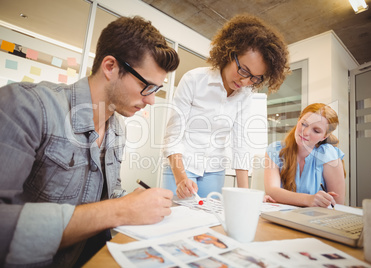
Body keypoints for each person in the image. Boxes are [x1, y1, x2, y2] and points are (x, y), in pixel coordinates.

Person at [0, 16, 179, 267]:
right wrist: (120, 210)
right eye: (146, 86)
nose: (150, 101)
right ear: (110, 67)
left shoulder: (117, 129)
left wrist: (134, 202)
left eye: (156, 90)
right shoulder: (28, 107)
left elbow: (105, 195)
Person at [162, 14, 290, 199]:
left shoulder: (245, 96)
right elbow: (173, 135)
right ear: (230, 54)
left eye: (255, 78)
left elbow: (241, 144)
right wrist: (181, 178)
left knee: (212, 220)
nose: (245, 81)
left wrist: (245, 194)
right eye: (243, 70)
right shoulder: (194, 80)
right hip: (181, 165)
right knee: (177, 220)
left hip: (214, 170)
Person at [264, 103, 346, 207]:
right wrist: (309, 200)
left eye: (316, 131)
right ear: (299, 120)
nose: (305, 132)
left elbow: (338, 205)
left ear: (324, 137)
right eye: (304, 124)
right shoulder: (275, 150)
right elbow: (272, 191)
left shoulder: (328, 155)